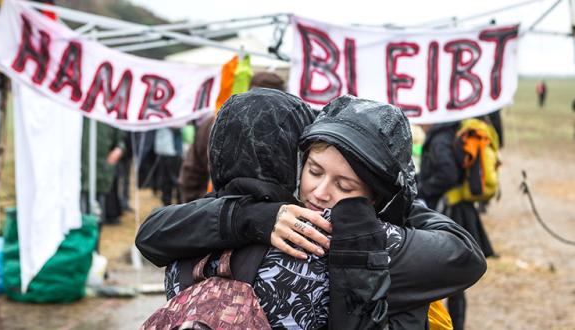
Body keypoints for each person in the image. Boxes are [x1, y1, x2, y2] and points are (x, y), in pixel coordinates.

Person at [136, 90, 486, 329]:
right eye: (315, 171)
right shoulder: (326, 234)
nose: (320, 193)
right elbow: (465, 255)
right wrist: (404, 199)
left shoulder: (193, 237)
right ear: (293, 158)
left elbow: (150, 234)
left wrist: (246, 216)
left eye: (344, 185)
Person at [417, 122, 496, 330]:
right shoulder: (449, 132)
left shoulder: (440, 137)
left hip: (449, 211)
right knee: (454, 278)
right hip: (458, 210)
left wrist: (423, 189)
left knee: (450, 278)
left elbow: (448, 174)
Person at [177, 71, 286, 203]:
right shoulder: (216, 123)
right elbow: (192, 171)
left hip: (269, 214)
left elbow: (191, 171)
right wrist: (199, 206)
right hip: (217, 208)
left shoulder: (287, 130)